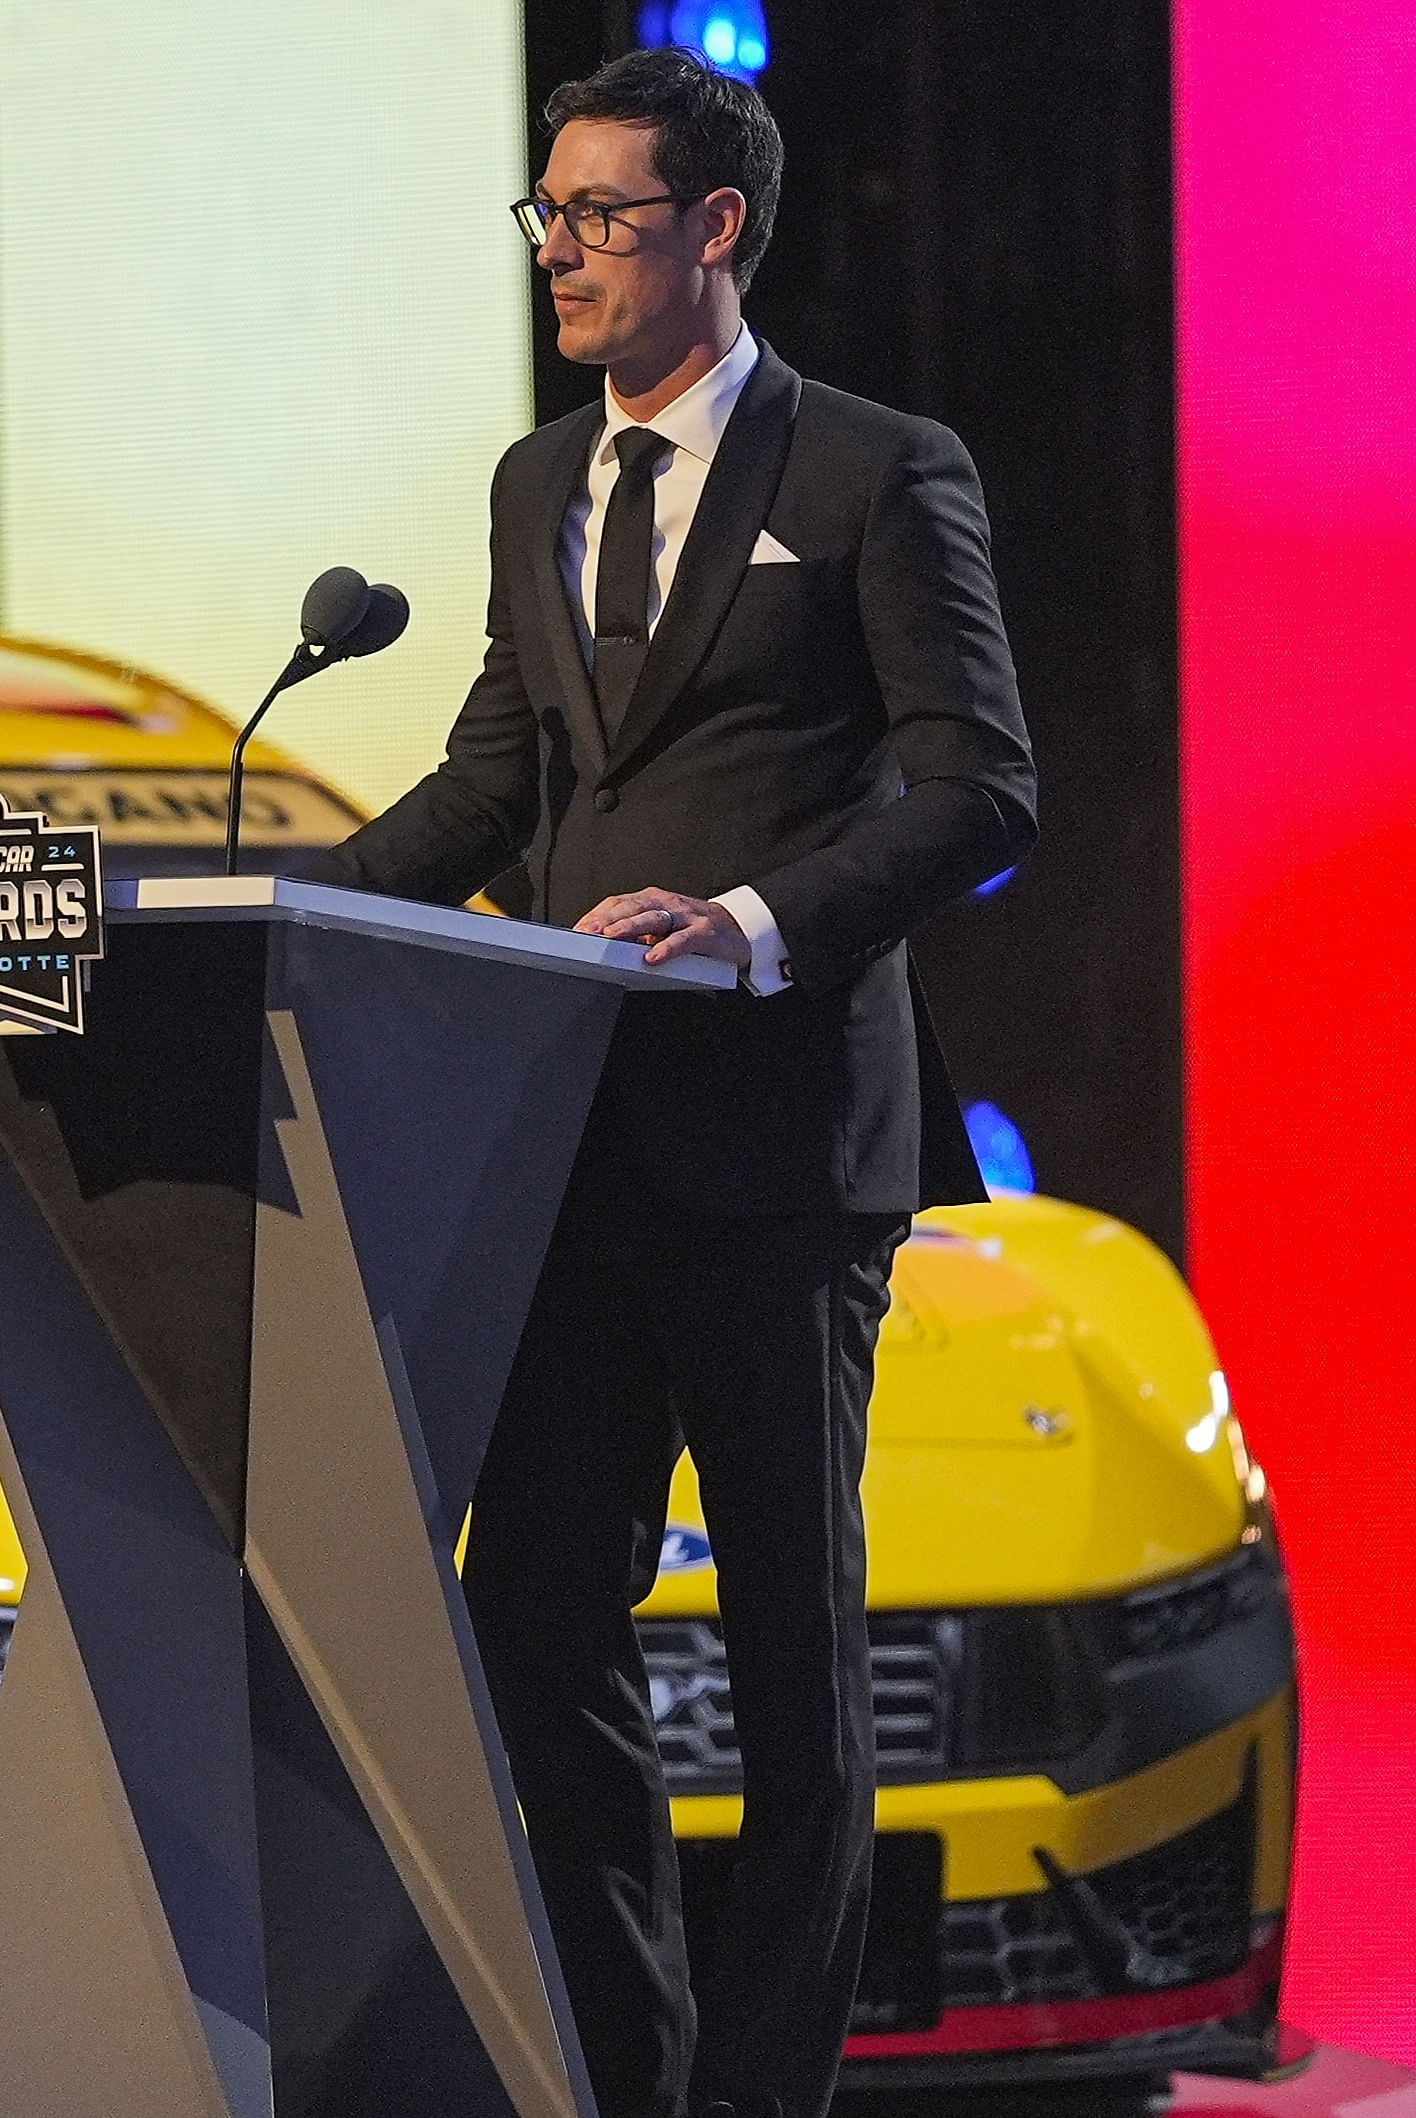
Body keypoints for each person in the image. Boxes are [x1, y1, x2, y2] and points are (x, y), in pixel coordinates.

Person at [306, 46, 1036, 2118]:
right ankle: (629, 2073)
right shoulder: (538, 482)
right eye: (545, 217)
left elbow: (980, 792)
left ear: (714, 227)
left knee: (800, 1681)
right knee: (535, 1618)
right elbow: (493, 779)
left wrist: (745, 920)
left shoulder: (878, 472)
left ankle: (763, 2100)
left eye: (599, 217)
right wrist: (240, 906)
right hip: (561, 1149)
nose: (562, 255)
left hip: (784, 1154)